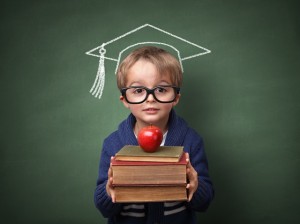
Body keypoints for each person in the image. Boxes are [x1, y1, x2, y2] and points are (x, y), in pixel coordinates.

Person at [94, 46, 214, 224]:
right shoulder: (113, 143)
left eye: (161, 90)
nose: (150, 98)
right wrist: (109, 190)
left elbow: (204, 203)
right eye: (138, 91)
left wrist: (195, 187)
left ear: (176, 97)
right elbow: (104, 208)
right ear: (125, 99)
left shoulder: (191, 140)